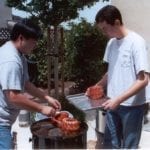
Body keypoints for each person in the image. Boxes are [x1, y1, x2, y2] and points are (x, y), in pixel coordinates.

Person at [86, 5, 149, 149]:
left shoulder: (136, 42)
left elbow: (144, 79)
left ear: (116, 22)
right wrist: (97, 86)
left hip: (132, 106)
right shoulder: (111, 43)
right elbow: (111, 72)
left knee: (129, 146)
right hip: (111, 103)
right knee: (111, 145)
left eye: (105, 28)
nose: (103, 33)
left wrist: (119, 99)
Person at [0, 20, 61, 149]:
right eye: (33, 42)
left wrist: (47, 98)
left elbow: (26, 84)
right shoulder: (11, 60)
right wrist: (42, 108)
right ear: (21, 38)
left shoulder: (19, 55)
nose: (35, 46)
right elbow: (14, 97)